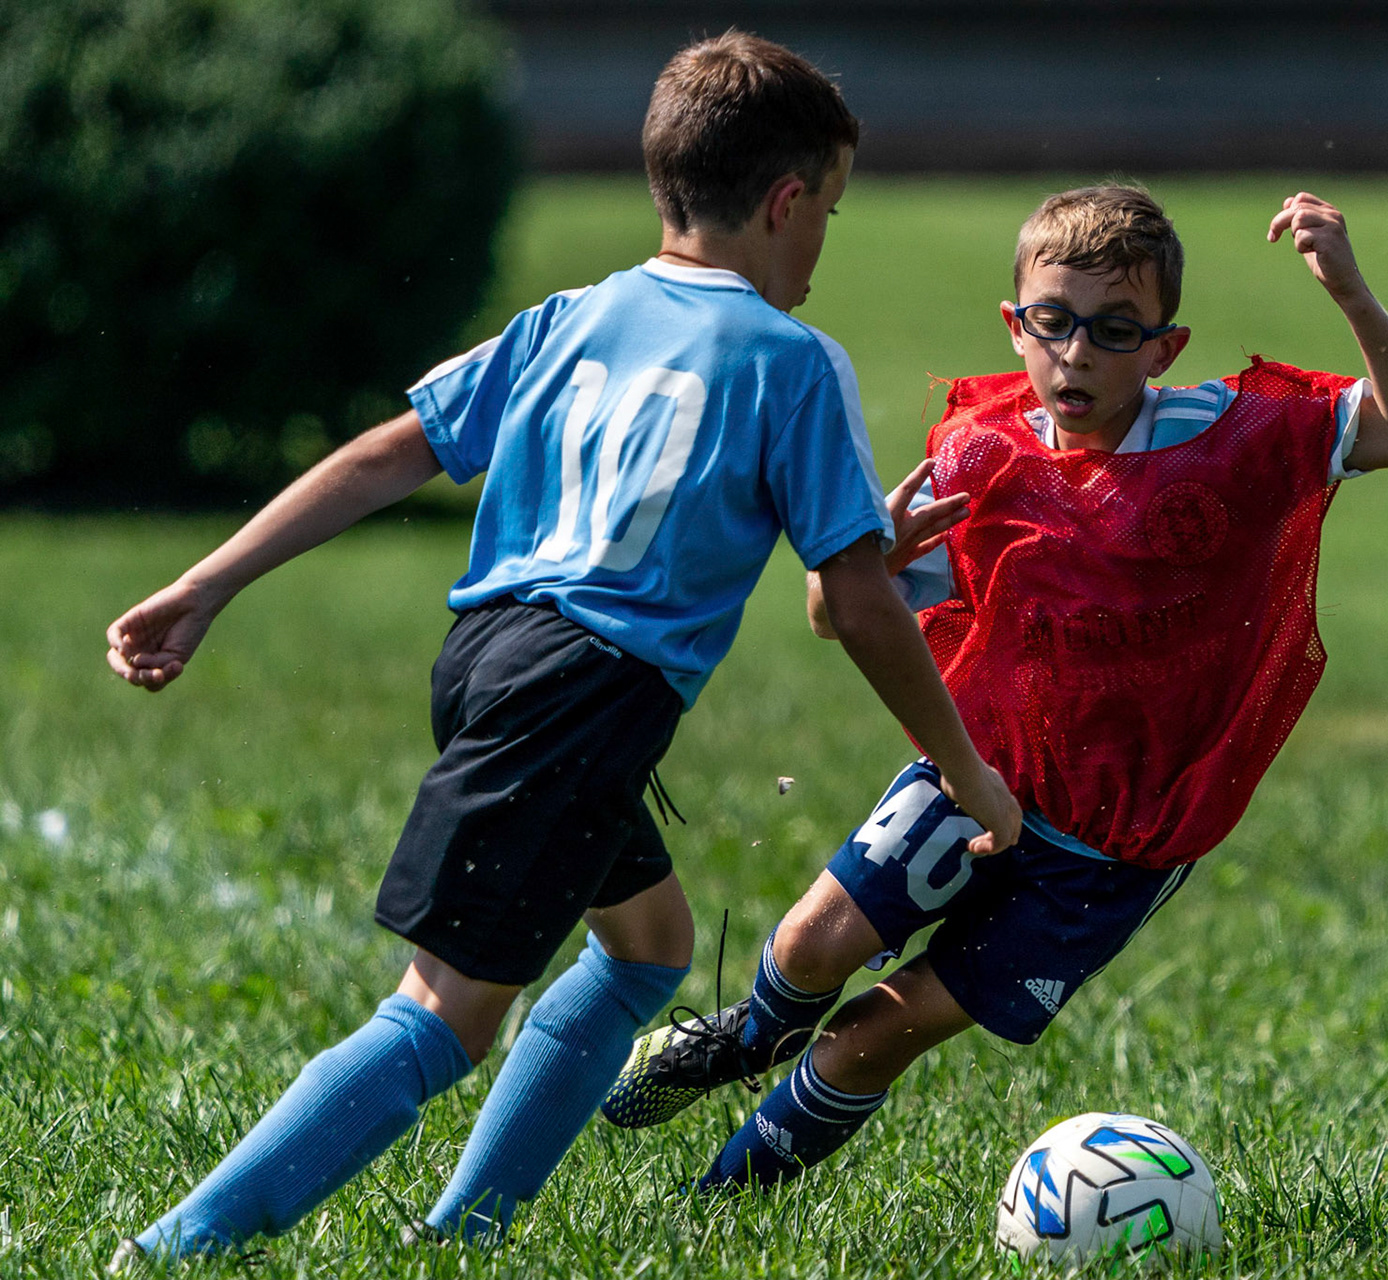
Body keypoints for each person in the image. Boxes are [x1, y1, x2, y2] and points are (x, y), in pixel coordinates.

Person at [103, 32, 1018, 1264]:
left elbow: (389, 452)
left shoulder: (572, 315)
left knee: (650, 948)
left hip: (490, 657)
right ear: (784, 201)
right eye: (828, 214)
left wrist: (207, 582)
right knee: (444, 1015)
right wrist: (963, 767)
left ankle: (470, 1232)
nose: (821, 243)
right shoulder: (792, 359)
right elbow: (857, 606)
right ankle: (176, 1247)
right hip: (583, 696)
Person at [599, 183, 1388, 1191]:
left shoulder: (1235, 437)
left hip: (1114, 849)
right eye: (1053, 322)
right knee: (810, 941)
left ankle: (715, 1206)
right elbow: (833, 616)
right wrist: (873, 559)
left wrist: (1349, 291)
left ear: (1164, 349)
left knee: (874, 1036)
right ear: (1015, 325)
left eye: (1114, 329)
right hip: (976, 776)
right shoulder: (979, 453)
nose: (1077, 353)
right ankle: (749, 1035)